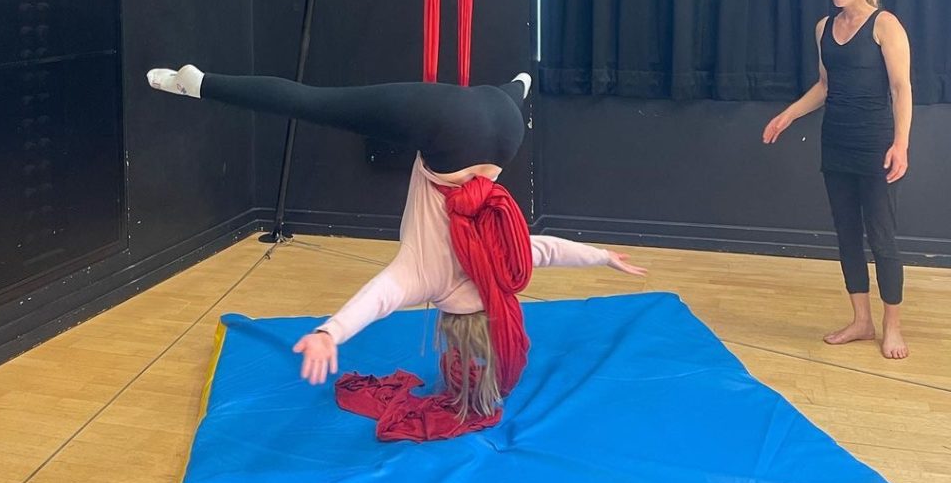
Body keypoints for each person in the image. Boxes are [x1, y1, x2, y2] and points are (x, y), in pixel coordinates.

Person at [147, 64, 646, 425]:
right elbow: (378, 299)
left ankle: (520, 83)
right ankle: (199, 83)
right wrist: (329, 333)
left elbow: (549, 249)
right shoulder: (427, 280)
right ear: (451, 327)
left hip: (504, 127)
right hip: (449, 129)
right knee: (315, 103)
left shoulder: (506, 268)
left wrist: (604, 256)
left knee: (506, 94)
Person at [763, 0, 911, 360]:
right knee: (846, 234)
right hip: (837, 143)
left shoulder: (885, 25)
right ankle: (861, 321)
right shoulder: (824, 28)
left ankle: (892, 326)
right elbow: (825, 86)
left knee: (881, 237)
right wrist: (789, 114)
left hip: (876, 145)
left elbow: (901, 88)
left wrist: (901, 143)